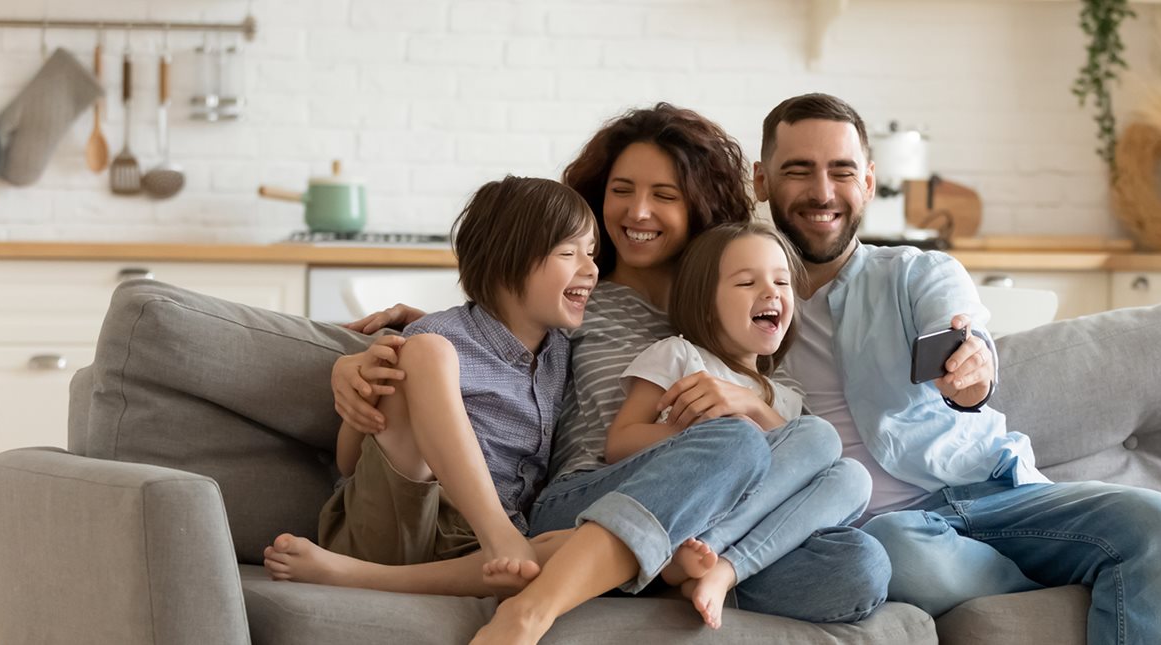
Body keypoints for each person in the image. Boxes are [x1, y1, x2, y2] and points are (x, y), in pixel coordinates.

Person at [328, 104, 889, 644]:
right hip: (586, 498)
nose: (637, 212)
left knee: (858, 566)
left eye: (664, 196)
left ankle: (670, 571)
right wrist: (380, 350)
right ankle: (570, 590)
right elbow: (496, 322)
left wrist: (747, 403)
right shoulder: (582, 299)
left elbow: (803, 452)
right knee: (732, 445)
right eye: (621, 191)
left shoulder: (734, 310)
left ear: (699, 207)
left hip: (709, 520)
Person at [752, 93, 1161, 645]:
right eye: (798, 171)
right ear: (761, 181)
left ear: (867, 181)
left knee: (1156, 520)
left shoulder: (917, 273)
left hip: (993, 494)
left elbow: (966, 339)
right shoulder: (743, 300)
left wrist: (972, 373)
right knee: (892, 548)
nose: (823, 192)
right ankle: (1058, 576)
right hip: (895, 533)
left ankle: (1103, 560)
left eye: (841, 172)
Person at [265, 176, 601, 595]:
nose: (591, 269)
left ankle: (354, 576)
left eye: (591, 253)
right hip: (397, 519)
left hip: (479, 551)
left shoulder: (562, 354)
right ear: (504, 262)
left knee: (588, 545)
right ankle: (494, 532)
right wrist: (368, 393)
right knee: (428, 351)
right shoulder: (434, 339)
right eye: (570, 253)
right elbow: (350, 462)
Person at [608, 222, 871, 628]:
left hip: (746, 539)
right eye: (747, 282)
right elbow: (619, 444)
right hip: (685, 509)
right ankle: (690, 558)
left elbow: (807, 471)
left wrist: (754, 406)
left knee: (853, 475)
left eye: (782, 282)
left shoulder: (788, 397)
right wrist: (701, 437)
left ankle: (721, 570)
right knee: (818, 437)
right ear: (706, 301)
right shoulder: (679, 356)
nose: (771, 292)